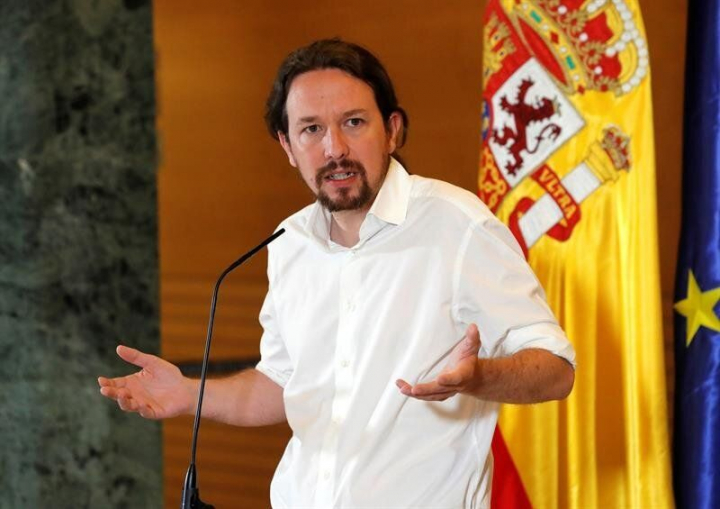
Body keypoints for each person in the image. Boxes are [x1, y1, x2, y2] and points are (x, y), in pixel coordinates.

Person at [98, 38, 575, 508]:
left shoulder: (459, 226)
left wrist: (479, 378)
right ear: (287, 145)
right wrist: (188, 393)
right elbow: (281, 385)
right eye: (311, 129)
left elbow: (556, 371)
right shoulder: (289, 242)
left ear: (392, 130)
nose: (335, 149)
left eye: (353, 122)